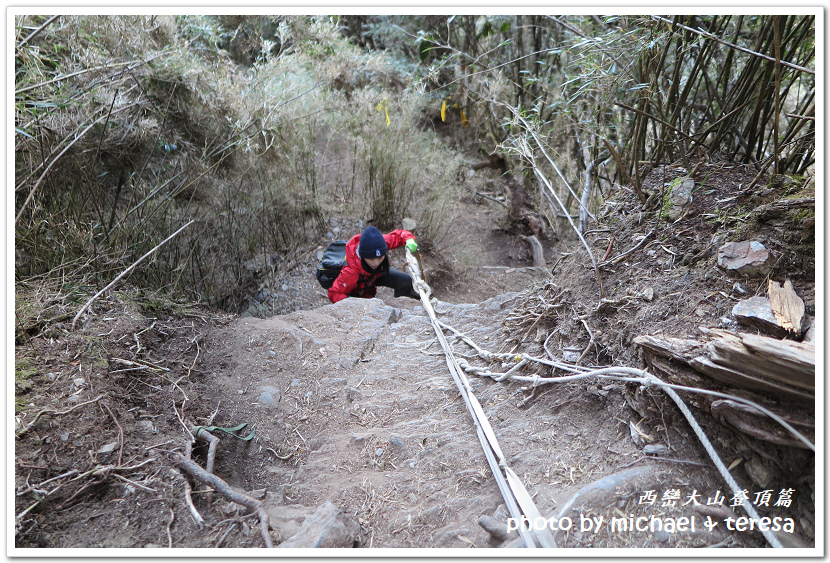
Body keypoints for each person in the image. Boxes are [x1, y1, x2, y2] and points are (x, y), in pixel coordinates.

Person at [327, 225, 419, 304]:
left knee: (405, 281)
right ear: (363, 257)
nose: (376, 263)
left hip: (374, 275)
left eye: (380, 257)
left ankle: (402, 306)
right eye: (371, 259)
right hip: (361, 287)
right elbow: (334, 293)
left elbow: (399, 235)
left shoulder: (379, 245)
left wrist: (410, 240)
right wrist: (351, 302)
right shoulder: (351, 273)